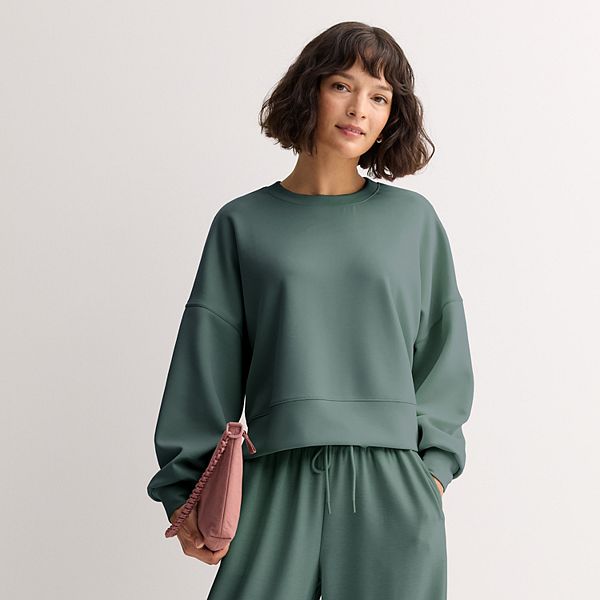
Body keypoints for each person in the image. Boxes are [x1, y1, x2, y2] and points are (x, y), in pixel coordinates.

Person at [147, 21, 474, 600]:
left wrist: (432, 473)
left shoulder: (413, 221)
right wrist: (186, 490)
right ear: (310, 89)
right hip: (274, 476)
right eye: (342, 86)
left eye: (379, 97)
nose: (359, 109)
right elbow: (206, 358)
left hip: (393, 483)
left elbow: (443, 353)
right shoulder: (243, 223)